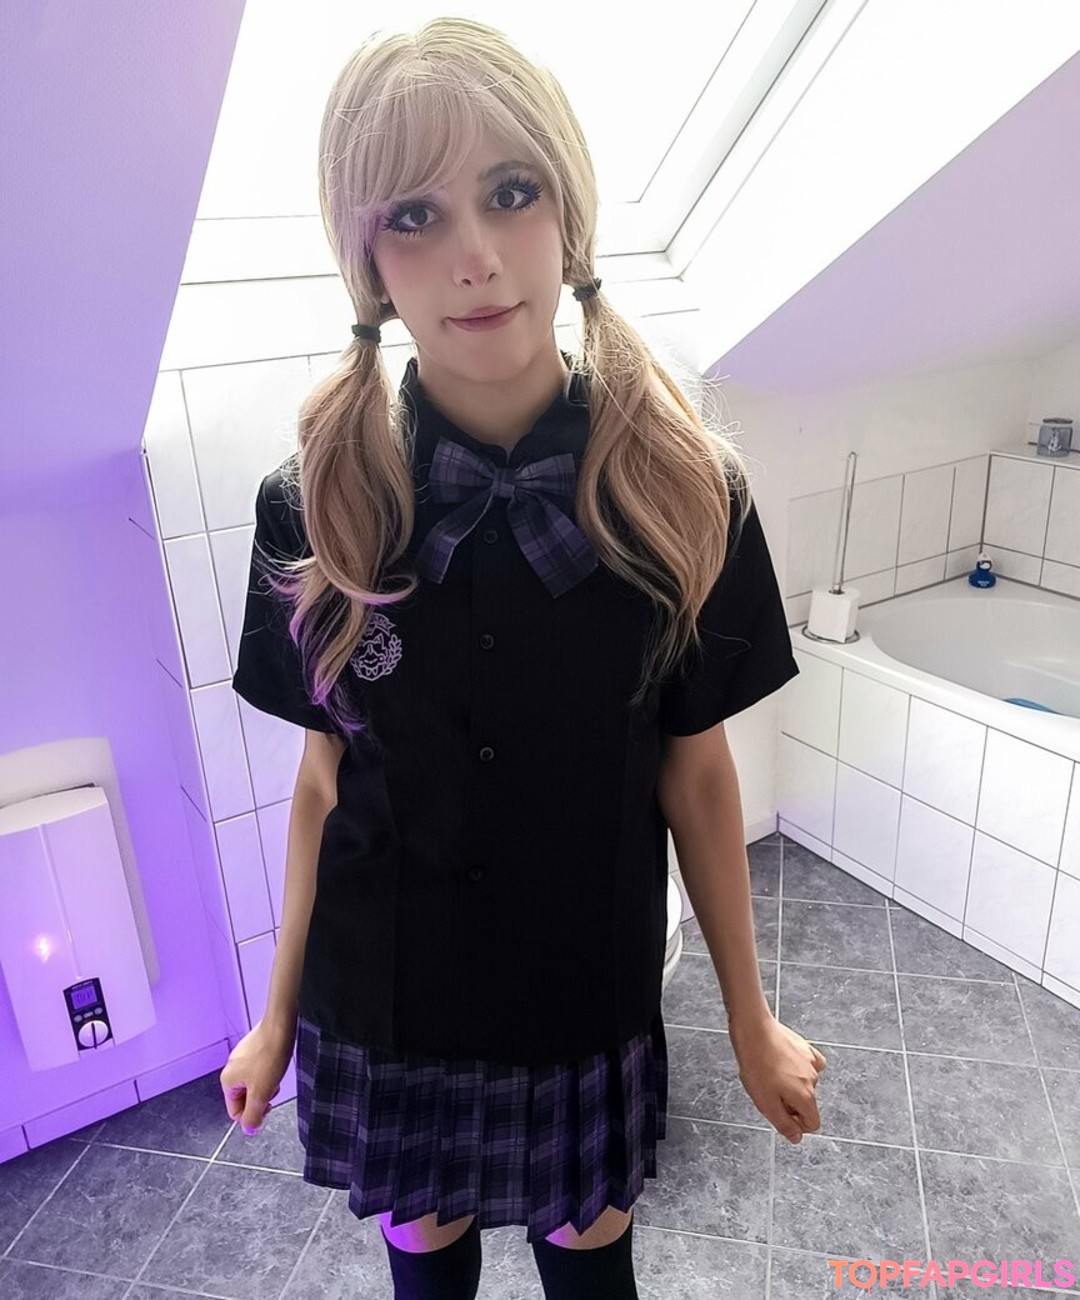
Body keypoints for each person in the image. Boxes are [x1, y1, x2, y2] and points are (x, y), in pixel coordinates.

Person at [219, 17, 827, 1299]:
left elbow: (697, 774)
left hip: (579, 1000)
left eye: (510, 192)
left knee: (592, 1270)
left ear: (570, 212)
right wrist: (274, 1017)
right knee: (425, 1273)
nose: (475, 256)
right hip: (387, 1000)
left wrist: (750, 1015)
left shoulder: (683, 493)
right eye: (414, 215)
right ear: (368, 259)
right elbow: (323, 784)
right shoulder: (317, 502)